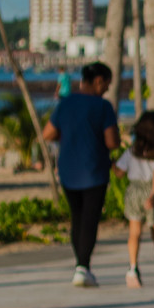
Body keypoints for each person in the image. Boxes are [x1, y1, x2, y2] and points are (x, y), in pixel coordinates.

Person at [43, 62, 119, 288]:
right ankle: (83, 267)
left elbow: (48, 133)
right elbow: (111, 142)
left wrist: (70, 137)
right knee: (90, 219)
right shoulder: (103, 106)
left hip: (67, 170)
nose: (107, 89)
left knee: (76, 217)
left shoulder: (66, 103)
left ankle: (80, 265)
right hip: (94, 169)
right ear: (98, 81)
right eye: (107, 84)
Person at [114, 109, 154, 287]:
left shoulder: (131, 153)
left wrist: (111, 164)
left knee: (134, 233)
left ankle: (133, 268)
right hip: (150, 193)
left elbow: (118, 173)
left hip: (133, 191)